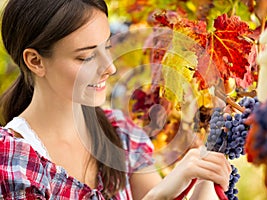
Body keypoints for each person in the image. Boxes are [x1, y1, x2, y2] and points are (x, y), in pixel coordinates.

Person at [0, 0, 231, 199]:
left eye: (107, 47)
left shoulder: (121, 134)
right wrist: (159, 196)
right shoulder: (12, 159)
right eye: (87, 57)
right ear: (35, 61)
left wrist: (204, 176)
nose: (109, 67)